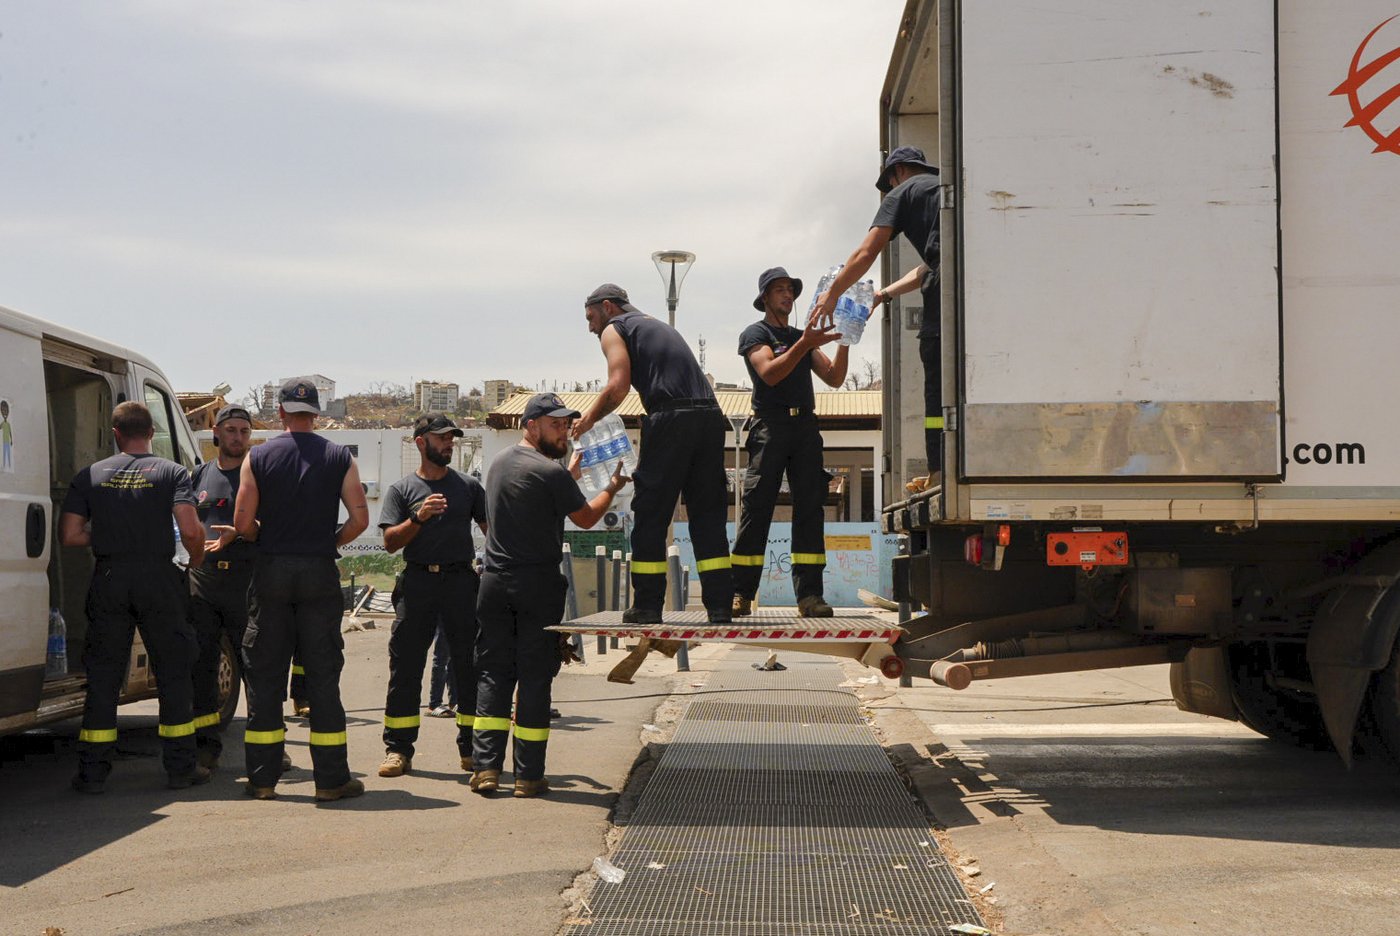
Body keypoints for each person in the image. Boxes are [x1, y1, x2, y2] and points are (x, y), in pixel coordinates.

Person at [471, 393, 627, 798]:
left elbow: (533, 498)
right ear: (532, 424)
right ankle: (528, 775)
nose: (564, 431)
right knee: (535, 677)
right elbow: (587, 518)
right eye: (556, 424)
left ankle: (486, 768)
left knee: (493, 673)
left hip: (493, 582)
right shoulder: (551, 473)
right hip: (536, 585)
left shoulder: (501, 464)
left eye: (565, 424)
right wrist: (611, 487)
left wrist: (567, 477)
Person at [58, 401, 209, 793]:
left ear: (115, 433)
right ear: (152, 431)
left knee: (105, 675)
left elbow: (71, 535)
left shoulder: (90, 475)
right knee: (174, 671)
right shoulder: (172, 472)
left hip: (109, 577)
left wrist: (111, 536)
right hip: (160, 578)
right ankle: (180, 768)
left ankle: (92, 773)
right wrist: (194, 558)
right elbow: (190, 528)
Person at [233, 377, 369, 802]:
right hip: (318, 572)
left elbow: (242, 524)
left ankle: (262, 780)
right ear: (316, 413)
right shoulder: (339, 457)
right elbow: (360, 520)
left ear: (281, 413)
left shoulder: (257, 457)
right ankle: (331, 781)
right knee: (323, 677)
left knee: (266, 676)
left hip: (272, 570)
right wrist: (328, 543)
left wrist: (265, 538)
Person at [573, 284, 733, 624]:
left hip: (671, 418)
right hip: (709, 418)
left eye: (591, 318)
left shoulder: (616, 327)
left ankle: (647, 605)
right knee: (707, 516)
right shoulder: (656, 324)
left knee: (650, 513)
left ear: (607, 307)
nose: (591, 327)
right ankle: (719, 607)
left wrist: (587, 419)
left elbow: (617, 386)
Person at [811, 146, 942, 479]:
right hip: (967, 296)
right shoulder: (942, 192)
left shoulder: (902, 192)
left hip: (943, 301)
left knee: (937, 390)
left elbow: (866, 252)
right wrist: (882, 294)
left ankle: (940, 470)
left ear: (896, 173)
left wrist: (833, 293)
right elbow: (928, 267)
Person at [731, 267, 847, 619]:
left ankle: (810, 596)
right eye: (779, 290)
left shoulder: (802, 336)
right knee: (758, 506)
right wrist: (806, 343)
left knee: (811, 509)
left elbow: (835, 377)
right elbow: (770, 372)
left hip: (805, 427)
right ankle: (740, 592)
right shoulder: (756, 333)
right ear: (765, 297)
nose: (787, 295)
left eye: (790, 290)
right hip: (771, 426)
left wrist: (846, 340)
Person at [376, 414, 487, 780]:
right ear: (421, 442)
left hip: (460, 582)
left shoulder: (469, 487)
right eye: (441, 438)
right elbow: (391, 543)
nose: (449, 444)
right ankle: (398, 749)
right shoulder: (401, 490)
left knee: (468, 666)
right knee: (406, 668)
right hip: (418, 583)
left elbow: (493, 532)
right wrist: (419, 518)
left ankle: (472, 750)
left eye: (452, 438)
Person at [187, 404, 258, 770]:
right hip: (204, 581)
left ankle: (267, 749)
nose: (238, 437)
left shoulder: (258, 475)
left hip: (245, 583)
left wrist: (245, 531)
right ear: (216, 432)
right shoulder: (199, 475)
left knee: (255, 665)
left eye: (244, 432)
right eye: (231, 430)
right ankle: (205, 747)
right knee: (203, 665)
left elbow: (272, 526)